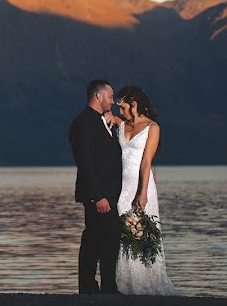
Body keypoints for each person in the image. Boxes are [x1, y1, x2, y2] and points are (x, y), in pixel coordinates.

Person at [108, 85, 177, 295]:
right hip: (123, 187)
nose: (121, 112)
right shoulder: (123, 125)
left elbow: (146, 161)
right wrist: (113, 113)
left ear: (134, 104)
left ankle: (148, 283)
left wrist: (143, 192)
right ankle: (128, 285)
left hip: (141, 186)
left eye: (124, 107)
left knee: (143, 233)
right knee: (126, 234)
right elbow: (110, 116)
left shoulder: (152, 127)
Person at [68, 79, 122, 294]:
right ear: (98, 96)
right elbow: (86, 162)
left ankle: (94, 286)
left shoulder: (101, 120)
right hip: (99, 194)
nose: (113, 101)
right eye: (110, 97)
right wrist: (98, 196)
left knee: (97, 238)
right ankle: (101, 287)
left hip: (108, 192)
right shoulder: (83, 123)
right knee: (103, 239)